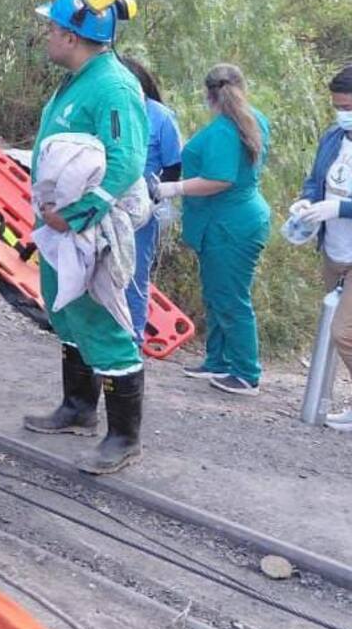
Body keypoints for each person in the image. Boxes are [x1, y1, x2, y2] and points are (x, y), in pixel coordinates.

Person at [22, 0, 149, 475]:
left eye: (51, 30)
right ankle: (78, 407)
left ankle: (124, 437)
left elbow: (126, 161)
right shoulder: (79, 79)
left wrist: (76, 214)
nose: (47, 37)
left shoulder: (114, 87)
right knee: (69, 312)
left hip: (89, 229)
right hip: (60, 227)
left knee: (101, 323)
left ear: (71, 37)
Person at [156, 64, 271, 397]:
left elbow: (220, 179)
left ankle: (246, 372)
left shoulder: (224, 130)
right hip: (234, 219)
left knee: (230, 297)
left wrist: (172, 189)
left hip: (230, 224)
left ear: (208, 93)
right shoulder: (251, 120)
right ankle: (218, 361)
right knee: (216, 292)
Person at [292, 64, 352, 430]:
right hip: (334, 249)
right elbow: (316, 180)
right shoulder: (334, 137)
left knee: (344, 332)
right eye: (338, 107)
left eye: (348, 108)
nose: (342, 115)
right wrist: (306, 203)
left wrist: (342, 208)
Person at [121, 57, 183, 344]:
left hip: (145, 208)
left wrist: (155, 198)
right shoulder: (113, 111)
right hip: (110, 203)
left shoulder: (161, 117)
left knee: (135, 274)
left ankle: (133, 337)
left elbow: (173, 165)